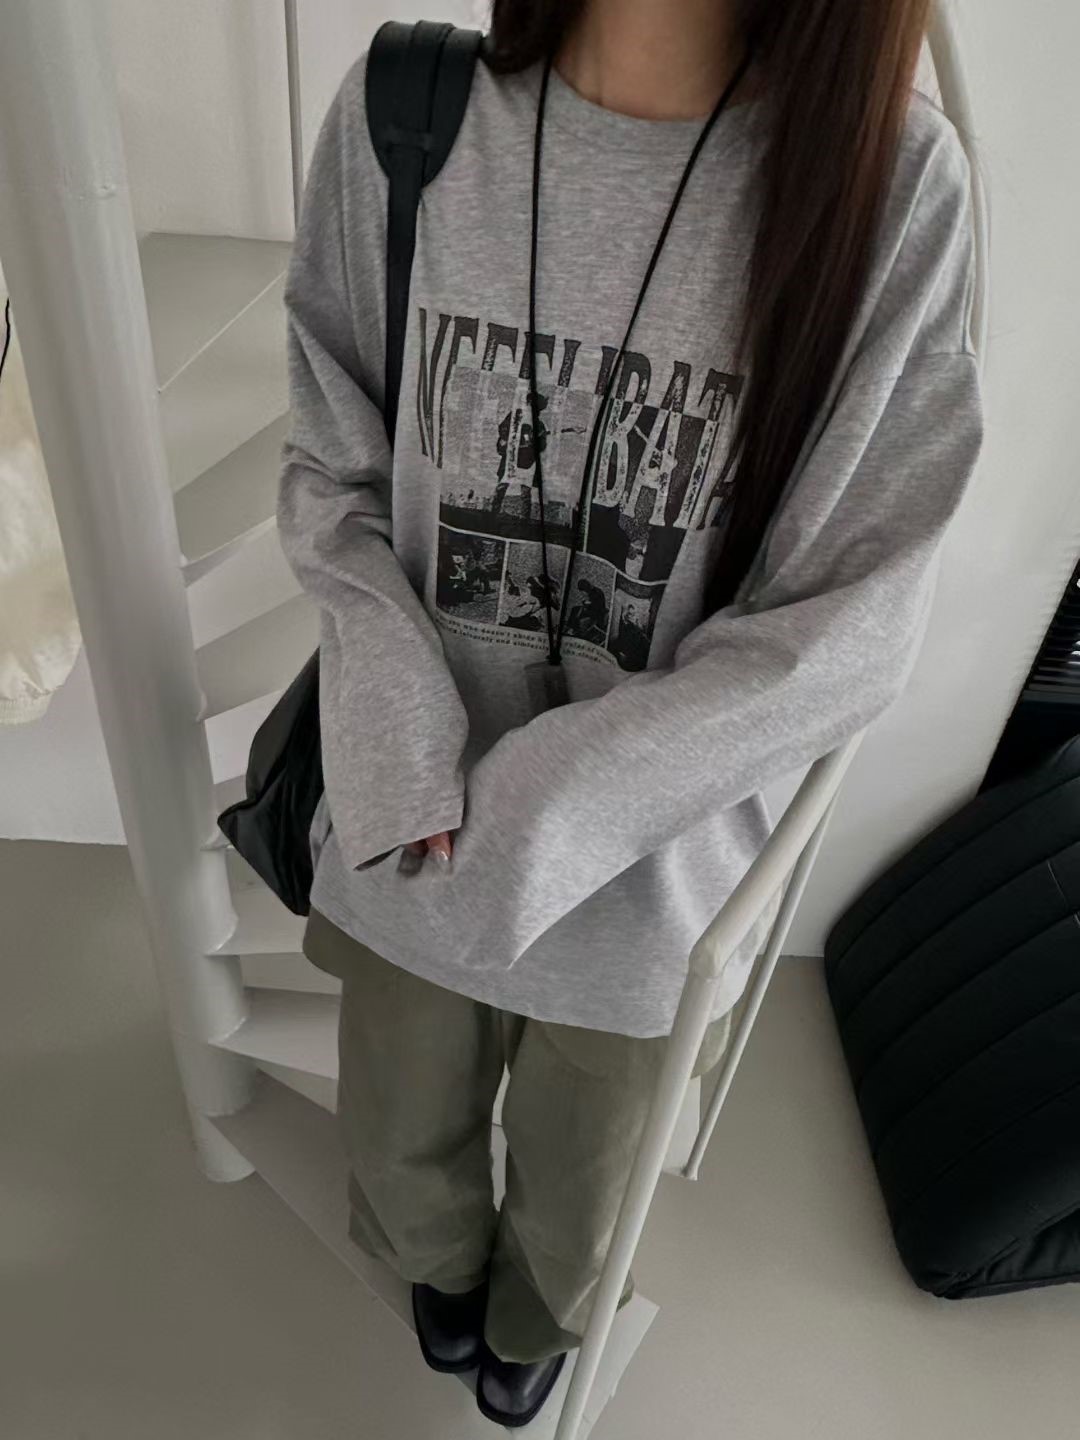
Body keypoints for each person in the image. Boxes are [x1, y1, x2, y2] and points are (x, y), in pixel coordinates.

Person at [277, 0, 983, 1425]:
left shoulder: (890, 189)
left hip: (656, 870)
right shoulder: (405, 122)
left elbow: (852, 617)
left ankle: (529, 1332)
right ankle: (439, 1284)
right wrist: (404, 732)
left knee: (582, 1198)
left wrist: (553, 801)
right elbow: (331, 464)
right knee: (400, 1137)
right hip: (409, 822)